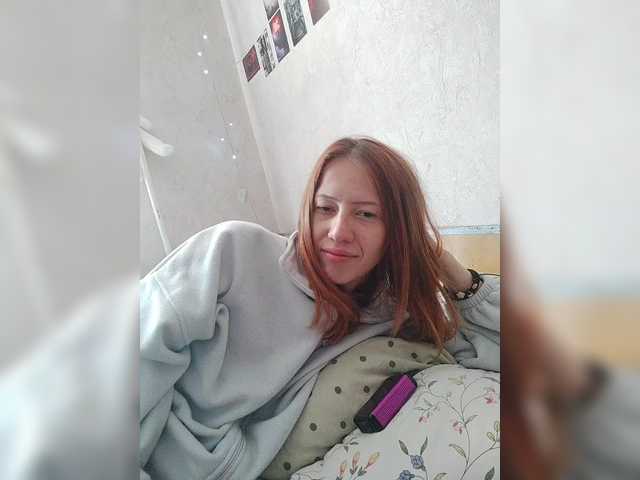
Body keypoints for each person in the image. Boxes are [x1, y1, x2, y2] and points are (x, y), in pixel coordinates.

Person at [139, 136, 500, 480]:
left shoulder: (389, 314)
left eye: (366, 214)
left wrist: (460, 280)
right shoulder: (234, 252)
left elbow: (502, 356)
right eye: (325, 208)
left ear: (397, 232)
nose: (338, 231)